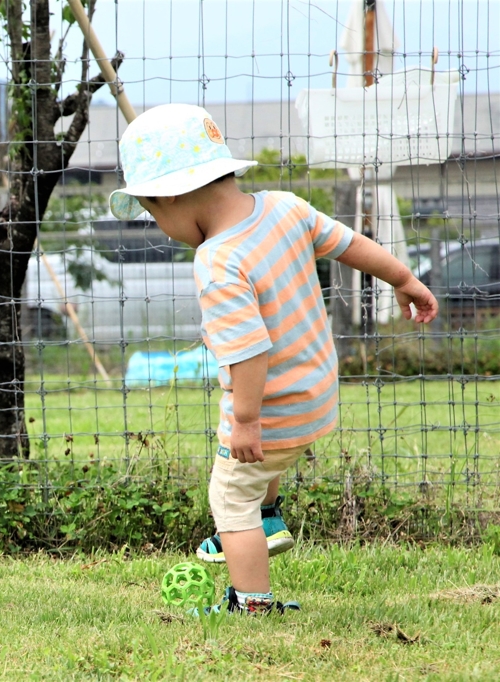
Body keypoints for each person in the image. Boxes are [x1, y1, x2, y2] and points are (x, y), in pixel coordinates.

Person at [109, 104, 438, 614]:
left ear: (171, 197)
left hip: (272, 408)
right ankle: (269, 517)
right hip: (317, 395)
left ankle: (251, 600)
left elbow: (248, 349)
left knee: (230, 498)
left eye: (153, 214)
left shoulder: (218, 260)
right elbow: (350, 245)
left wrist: (245, 421)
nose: (162, 227)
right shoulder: (285, 207)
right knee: (262, 471)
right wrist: (404, 278)